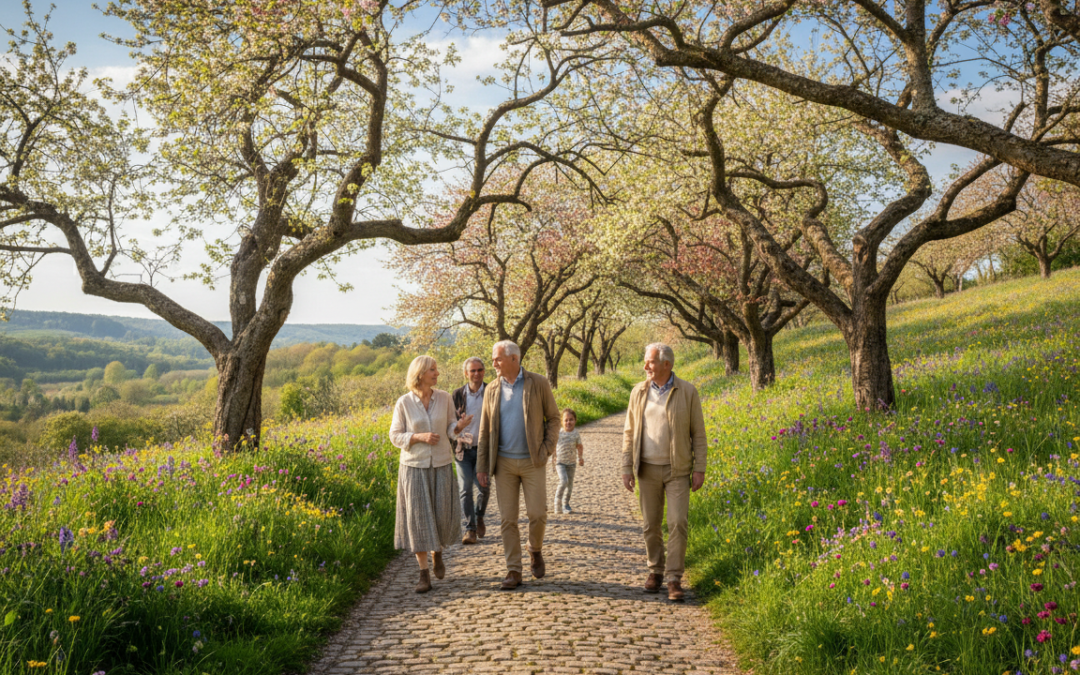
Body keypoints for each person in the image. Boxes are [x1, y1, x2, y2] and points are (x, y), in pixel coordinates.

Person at [621, 343, 707, 602]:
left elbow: (699, 435)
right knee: (650, 526)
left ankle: (673, 578)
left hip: (677, 469)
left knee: (678, 523)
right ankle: (655, 571)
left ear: (666, 364)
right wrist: (626, 466)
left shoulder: (688, 392)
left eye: (650, 362)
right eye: (646, 362)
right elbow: (629, 432)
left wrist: (699, 468)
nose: (645, 366)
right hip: (646, 468)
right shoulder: (638, 392)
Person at [476, 340, 560, 590]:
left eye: (497, 358)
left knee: (538, 514)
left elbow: (554, 418)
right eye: (493, 359)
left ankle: (534, 549)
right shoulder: (491, 389)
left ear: (514, 359)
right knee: (507, 520)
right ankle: (513, 570)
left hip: (533, 461)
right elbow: (484, 431)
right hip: (503, 464)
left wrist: (546, 449)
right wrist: (482, 466)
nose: (493, 363)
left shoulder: (538, 383)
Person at [389, 355, 473, 593]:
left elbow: (449, 427)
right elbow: (395, 436)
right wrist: (418, 437)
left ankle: (438, 553)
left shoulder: (445, 397)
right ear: (420, 374)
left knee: (440, 515)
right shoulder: (403, 403)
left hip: (441, 463)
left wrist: (458, 427)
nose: (437, 373)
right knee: (418, 520)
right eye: (433, 370)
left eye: (436, 369)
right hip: (413, 467)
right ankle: (423, 573)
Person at [452, 357, 490, 544]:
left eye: (480, 370)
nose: (476, 374)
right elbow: (450, 424)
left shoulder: (492, 391)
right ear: (466, 373)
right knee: (465, 489)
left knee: (484, 488)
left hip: (484, 450)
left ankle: (479, 515)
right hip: (463, 450)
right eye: (472, 371)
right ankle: (470, 529)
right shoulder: (457, 395)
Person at [551, 408, 584, 514]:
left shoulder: (576, 434)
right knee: (563, 481)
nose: (568, 422)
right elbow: (553, 446)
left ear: (575, 421)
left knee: (569, 485)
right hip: (560, 463)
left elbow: (579, 446)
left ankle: (566, 505)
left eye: (571, 420)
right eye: (566, 420)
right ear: (562, 422)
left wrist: (580, 458)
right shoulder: (559, 433)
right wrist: (553, 457)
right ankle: (557, 504)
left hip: (572, 464)